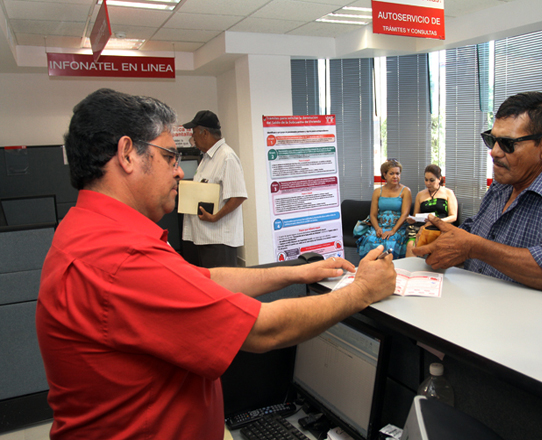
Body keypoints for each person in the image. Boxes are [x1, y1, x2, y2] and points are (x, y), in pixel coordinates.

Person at [35, 88, 396, 440]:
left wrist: (296, 272)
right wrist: (362, 290)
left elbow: (204, 279)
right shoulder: (121, 258)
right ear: (127, 154)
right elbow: (264, 330)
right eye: (169, 157)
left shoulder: (89, 230)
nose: (179, 171)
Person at [412, 91, 542, 298]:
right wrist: (442, 238)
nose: (495, 152)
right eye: (492, 140)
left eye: (508, 144)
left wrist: (474, 248)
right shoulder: (503, 184)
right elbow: (476, 231)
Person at [181, 110, 247, 267]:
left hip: (219, 240)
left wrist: (215, 217)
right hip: (203, 237)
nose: (192, 138)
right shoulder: (207, 158)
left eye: (194, 133)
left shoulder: (227, 157)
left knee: (222, 281)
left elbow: (238, 196)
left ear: (204, 133)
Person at [356, 159, 412, 259]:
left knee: (391, 241)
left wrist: (393, 230)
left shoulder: (405, 191)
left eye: (397, 173)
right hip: (380, 225)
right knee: (370, 239)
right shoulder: (377, 191)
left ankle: (392, 267)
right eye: (391, 173)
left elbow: (405, 214)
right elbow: (373, 215)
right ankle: (371, 266)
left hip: (398, 227)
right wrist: (378, 229)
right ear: (384, 175)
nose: (395, 176)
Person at [406, 164, 458, 257]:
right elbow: (416, 215)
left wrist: (436, 221)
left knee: (434, 244)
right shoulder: (420, 194)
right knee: (411, 245)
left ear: (439, 179)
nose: (428, 183)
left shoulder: (448, 193)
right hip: (422, 226)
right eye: (426, 180)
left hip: (441, 226)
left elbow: (453, 216)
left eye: (431, 180)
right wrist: (412, 219)